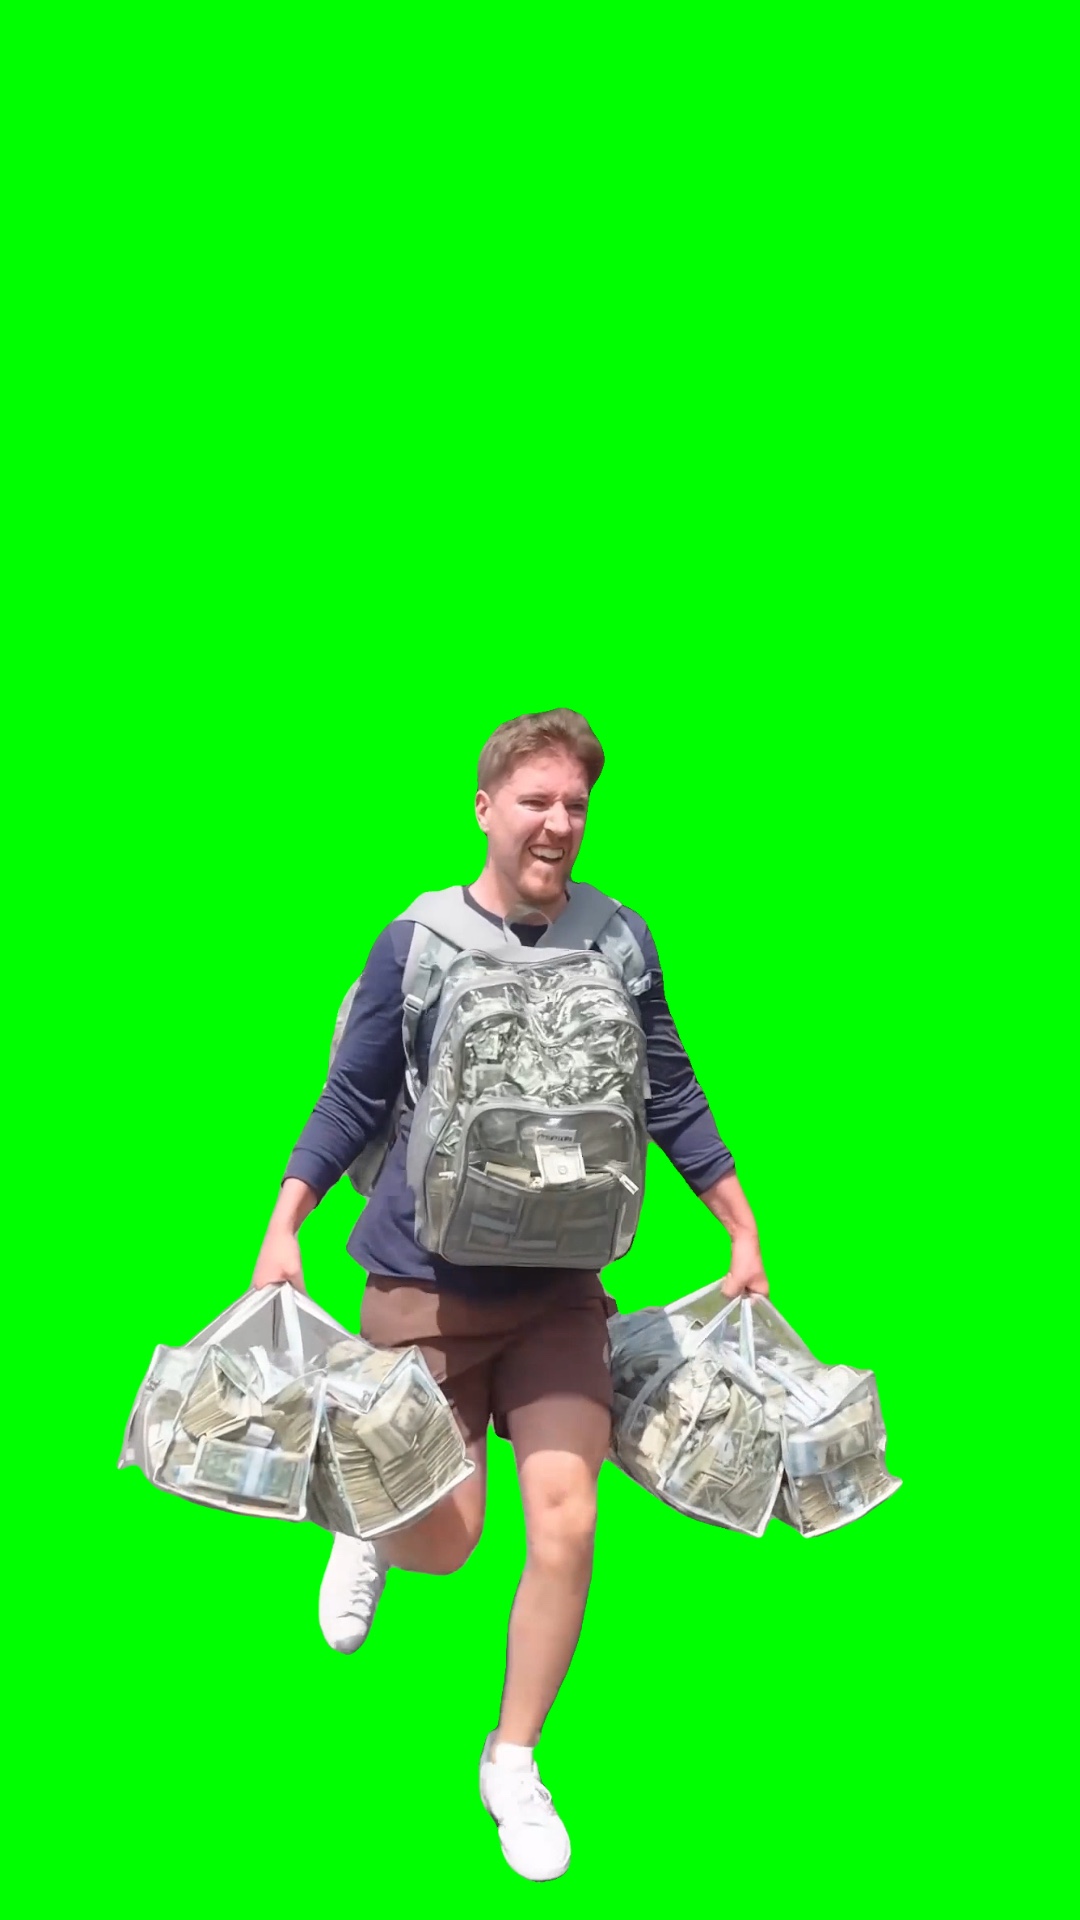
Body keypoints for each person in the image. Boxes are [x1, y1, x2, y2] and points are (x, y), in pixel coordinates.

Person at [251, 709, 769, 1881]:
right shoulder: (420, 940)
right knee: (447, 1543)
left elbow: (671, 1090)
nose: (559, 822)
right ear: (486, 808)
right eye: (537, 799)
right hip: (423, 1281)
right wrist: (286, 1222)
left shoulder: (619, 940)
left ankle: (514, 1758)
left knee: (569, 1521)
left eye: (576, 804)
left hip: (560, 1290)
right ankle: (363, 1523)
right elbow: (354, 1095)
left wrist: (739, 1225)